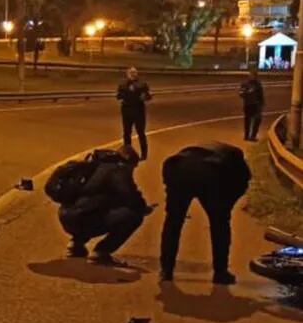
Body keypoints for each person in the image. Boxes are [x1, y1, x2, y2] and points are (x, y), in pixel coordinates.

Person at [159, 142, 251, 285]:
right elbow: (239, 187)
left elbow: (168, 178)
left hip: (180, 169)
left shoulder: (181, 158)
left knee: (173, 221)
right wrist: (225, 209)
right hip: (211, 174)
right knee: (220, 225)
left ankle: (166, 271)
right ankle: (220, 273)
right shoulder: (238, 165)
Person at [57, 145, 152, 266]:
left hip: (66, 216)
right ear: (126, 161)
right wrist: (142, 208)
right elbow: (129, 194)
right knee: (134, 215)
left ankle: (76, 245)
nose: (132, 171)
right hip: (84, 218)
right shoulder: (117, 170)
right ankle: (102, 251)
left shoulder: (94, 164)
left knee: (92, 208)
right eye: (133, 166)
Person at [117, 67, 152, 160]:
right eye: (130, 73)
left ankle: (144, 155)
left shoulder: (142, 84)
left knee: (141, 133)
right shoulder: (123, 85)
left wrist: (145, 97)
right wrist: (123, 96)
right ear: (127, 74)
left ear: (137, 74)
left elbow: (148, 96)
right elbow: (118, 96)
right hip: (127, 112)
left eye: (134, 73)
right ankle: (127, 154)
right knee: (126, 133)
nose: (132, 74)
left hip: (138, 112)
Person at [239, 68, 264, 141]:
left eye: (254, 76)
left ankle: (253, 136)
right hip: (248, 105)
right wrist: (247, 93)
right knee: (247, 121)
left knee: (257, 120)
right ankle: (246, 136)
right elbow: (241, 94)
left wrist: (261, 104)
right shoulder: (245, 84)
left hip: (256, 105)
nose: (253, 77)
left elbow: (261, 95)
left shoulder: (258, 84)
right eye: (252, 75)